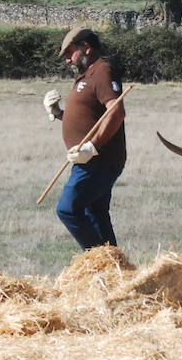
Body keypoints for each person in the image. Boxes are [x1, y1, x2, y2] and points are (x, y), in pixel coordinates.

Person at [43, 27, 126, 249]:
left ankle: (98, 260)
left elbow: (116, 112)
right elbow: (88, 119)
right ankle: (116, 267)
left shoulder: (102, 71)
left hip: (97, 162)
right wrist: (58, 113)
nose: (68, 60)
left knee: (68, 210)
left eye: (70, 53)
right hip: (89, 160)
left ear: (86, 48)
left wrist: (92, 147)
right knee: (96, 213)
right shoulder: (87, 74)